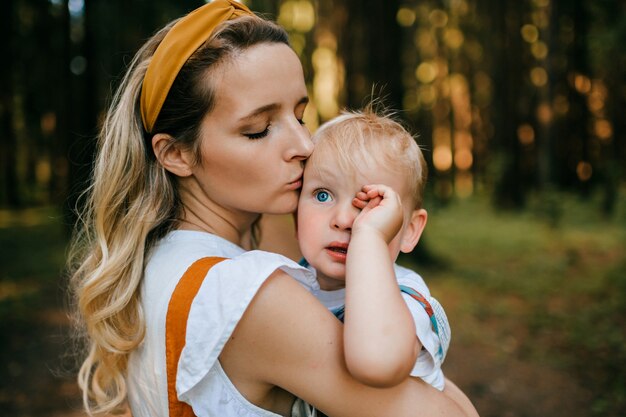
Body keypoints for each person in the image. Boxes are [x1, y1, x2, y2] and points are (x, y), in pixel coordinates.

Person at [68, 1, 475, 416]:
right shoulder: (248, 297)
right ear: (176, 154)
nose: (303, 145)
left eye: (300, 116)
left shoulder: (161, 261)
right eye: (258, 129)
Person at [296, 109, 451, 392]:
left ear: (410, 230)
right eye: (322, 195)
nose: (343, 220)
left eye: (371, 205)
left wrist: (369, 237)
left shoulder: (406, 300)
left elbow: (378, 361)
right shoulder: (289, 280)